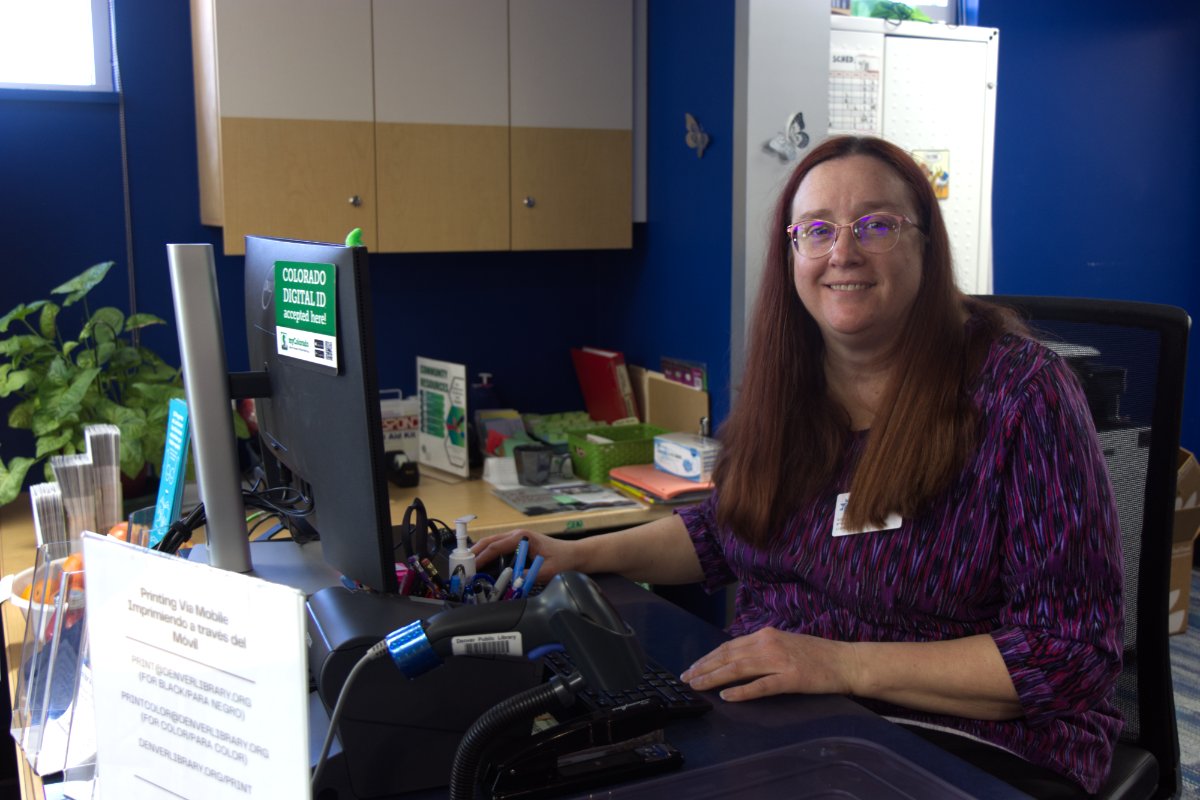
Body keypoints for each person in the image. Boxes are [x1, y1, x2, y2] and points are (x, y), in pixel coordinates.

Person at [474, 135, 1123, 797]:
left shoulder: (1020, 393)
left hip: (979, 747)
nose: (843, 251)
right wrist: (574, 554)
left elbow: (1069, 655)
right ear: (792, 254)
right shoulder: (792, 385)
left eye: (875, 225)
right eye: (817, 229)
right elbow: (725, 531)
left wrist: (838, 665)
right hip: (793, 714)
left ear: (926, 244)